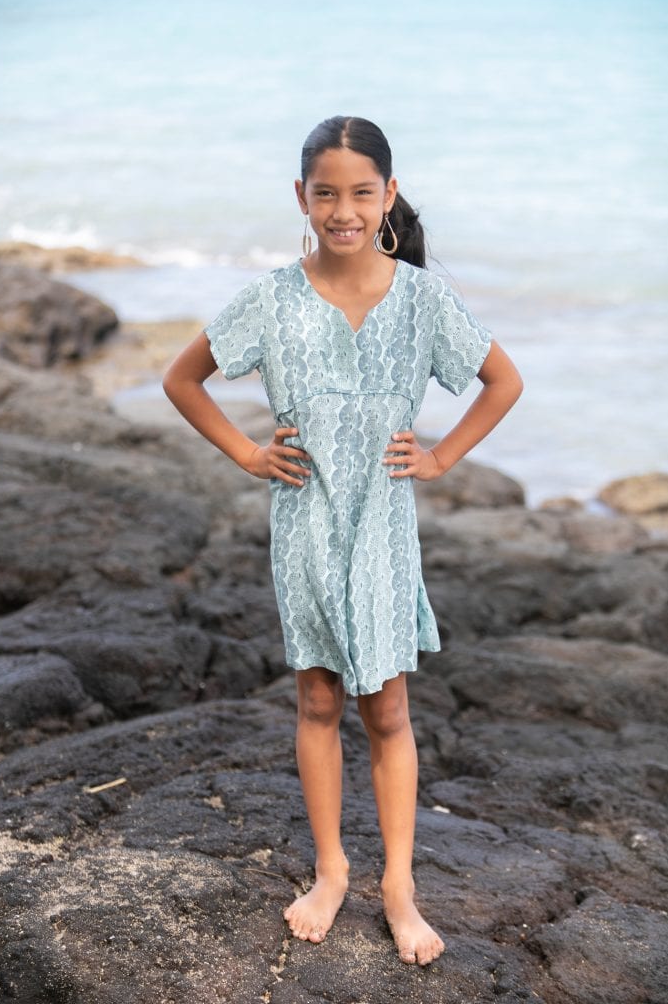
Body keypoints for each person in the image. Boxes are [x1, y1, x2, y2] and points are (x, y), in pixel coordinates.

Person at [162, 115, 523, 967]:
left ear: (388, 196)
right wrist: (248, 451)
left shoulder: (424, 301)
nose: (343, 209)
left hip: (385, 525)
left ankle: (398, 885)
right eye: (326, 193)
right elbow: (182, 378)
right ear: (302, 198)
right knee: (318, 700)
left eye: (361, 192)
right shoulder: (272, 299)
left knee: (388, 708)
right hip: (307, 523)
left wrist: (439, 457)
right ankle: (330, 869)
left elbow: (502, 380)